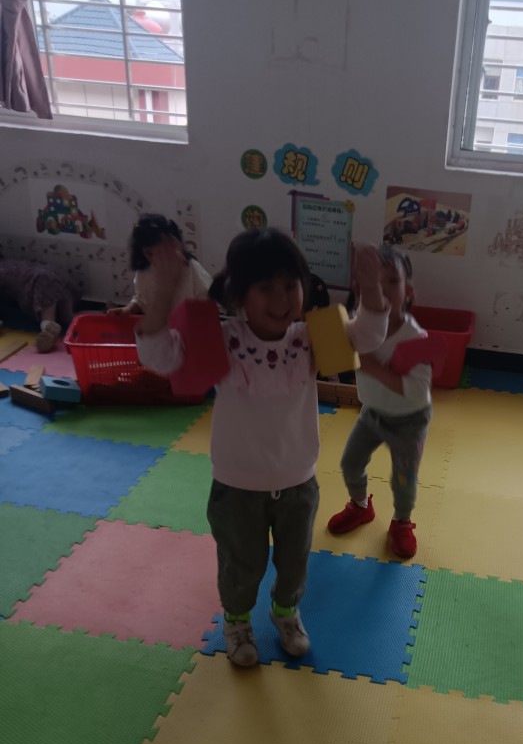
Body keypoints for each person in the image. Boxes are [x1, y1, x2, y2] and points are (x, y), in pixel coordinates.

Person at [134, 228, 389, 668]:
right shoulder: (221, 338)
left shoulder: (313, 335)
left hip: (298, 481)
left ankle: (285, 612)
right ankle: (237, 622)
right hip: (237, 486)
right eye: (266, 288)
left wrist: (370, 284)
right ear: (239, 295)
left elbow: (368, 335)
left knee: (294, 563)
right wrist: (162, 290)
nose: (282, 298)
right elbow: (158, 355)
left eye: (291, 285)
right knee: (242, 565)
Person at [327, 245, 432, 560]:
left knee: (404, 478)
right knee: (350, 463)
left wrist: (371, 366)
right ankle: (361, 506)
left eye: (392, 281)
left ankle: (402, 521)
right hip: (371, 413)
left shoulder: (416, 338)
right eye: (373, 280)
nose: (382, 288)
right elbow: (331, 353)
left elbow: (417, 391)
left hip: (409, 420)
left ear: (408, 292)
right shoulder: (359, 326)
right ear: (360, 289)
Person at [114, 213, 212, 316]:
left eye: (161, 252)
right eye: (149, 254)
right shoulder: (145, 268)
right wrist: (128, 309)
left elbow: (207, 309)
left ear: (173, 245)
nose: (156, 259)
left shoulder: (193, 272)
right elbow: (142, 299)